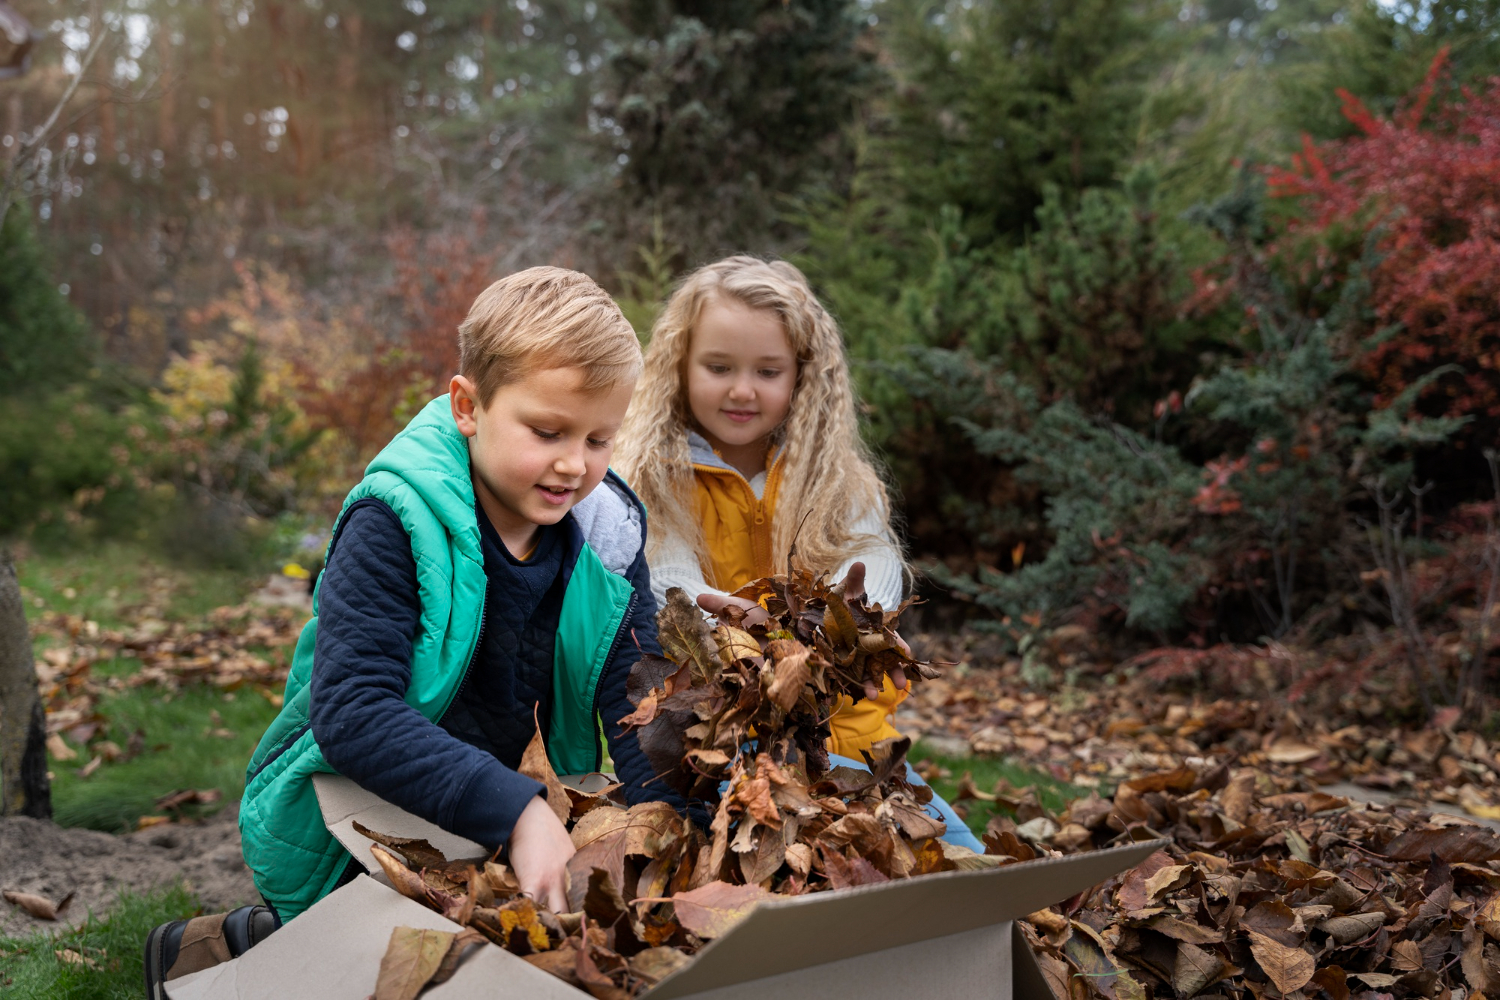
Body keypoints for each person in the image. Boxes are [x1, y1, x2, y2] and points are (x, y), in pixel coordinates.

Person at [145, 267, 682, 997]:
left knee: (527, 952)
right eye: (547, 431)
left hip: (503, 810)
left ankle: (293, 944)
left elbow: (637, 702)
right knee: (418, 967)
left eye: (598, 439)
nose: (572, 464)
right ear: (468, 405)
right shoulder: (396, 521)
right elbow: (353, 716)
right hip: (371, 805)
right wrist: (516, 813)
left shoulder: (606, 539)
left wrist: (673, 833)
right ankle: (234, 945)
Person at [614, 255, 986, 853]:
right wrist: (728, 629)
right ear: (680, 367)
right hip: (723, 743)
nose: (742, 389)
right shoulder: (653, 477)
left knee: (968, 865)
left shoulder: (834, 477)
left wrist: (846, 616)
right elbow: (671, 580)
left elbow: (872, 559)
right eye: (718, 367)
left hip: (853, 743)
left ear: (801, 376)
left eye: (767, 370)